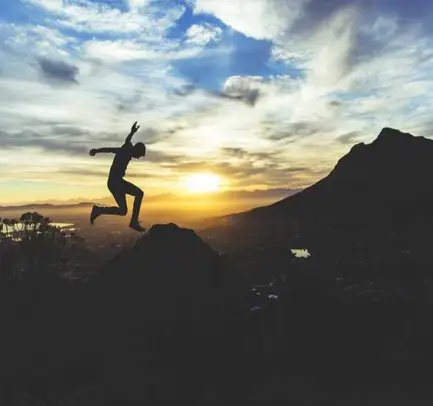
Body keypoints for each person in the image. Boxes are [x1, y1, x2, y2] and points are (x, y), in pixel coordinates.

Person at [89, 121, 146, 232]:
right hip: (116, 182)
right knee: (139, 193)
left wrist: (132, 133)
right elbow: (113, 148)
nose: (138, 158)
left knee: (123, 211)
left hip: (114, 183)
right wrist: (96, 151)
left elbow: (121, 144)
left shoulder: (128, 150)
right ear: (137, 150)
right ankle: (133, 222)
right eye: (139, 155)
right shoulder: (126, 150)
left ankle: (98, 210)